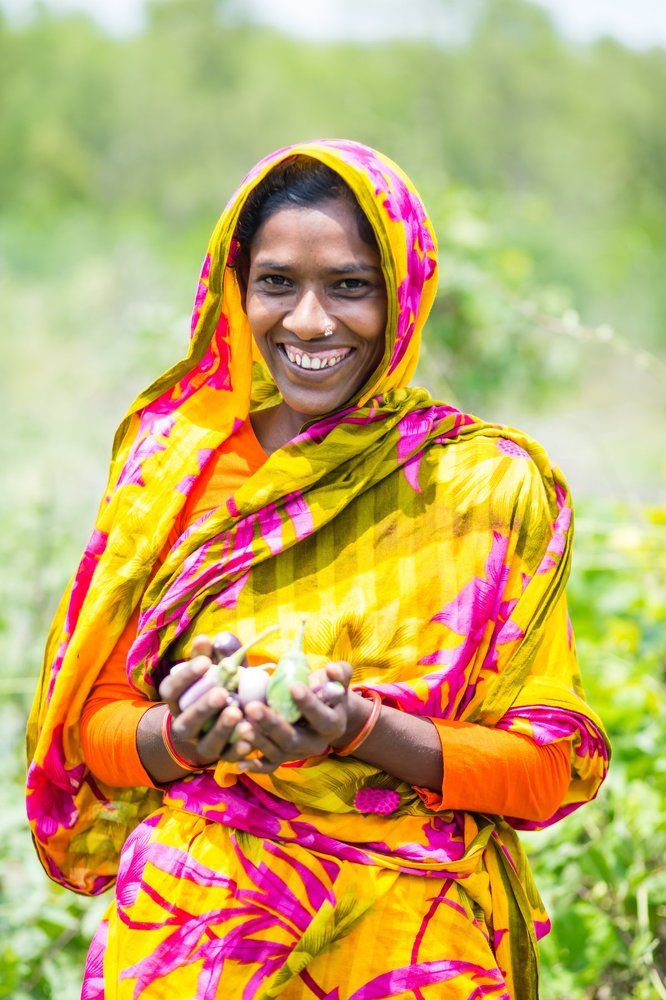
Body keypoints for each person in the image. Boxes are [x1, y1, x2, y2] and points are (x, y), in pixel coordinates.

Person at [26, 140, 609, 999]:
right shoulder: (175, 467)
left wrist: (358, 730)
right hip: (193, 940)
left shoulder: (481, 483)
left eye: (349, 285)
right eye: (275, 283)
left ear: (404, 292)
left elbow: (547, 768)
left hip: (409, 940)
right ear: (237, 287)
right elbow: (96, 732)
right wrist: (183, 736)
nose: (306, 322)